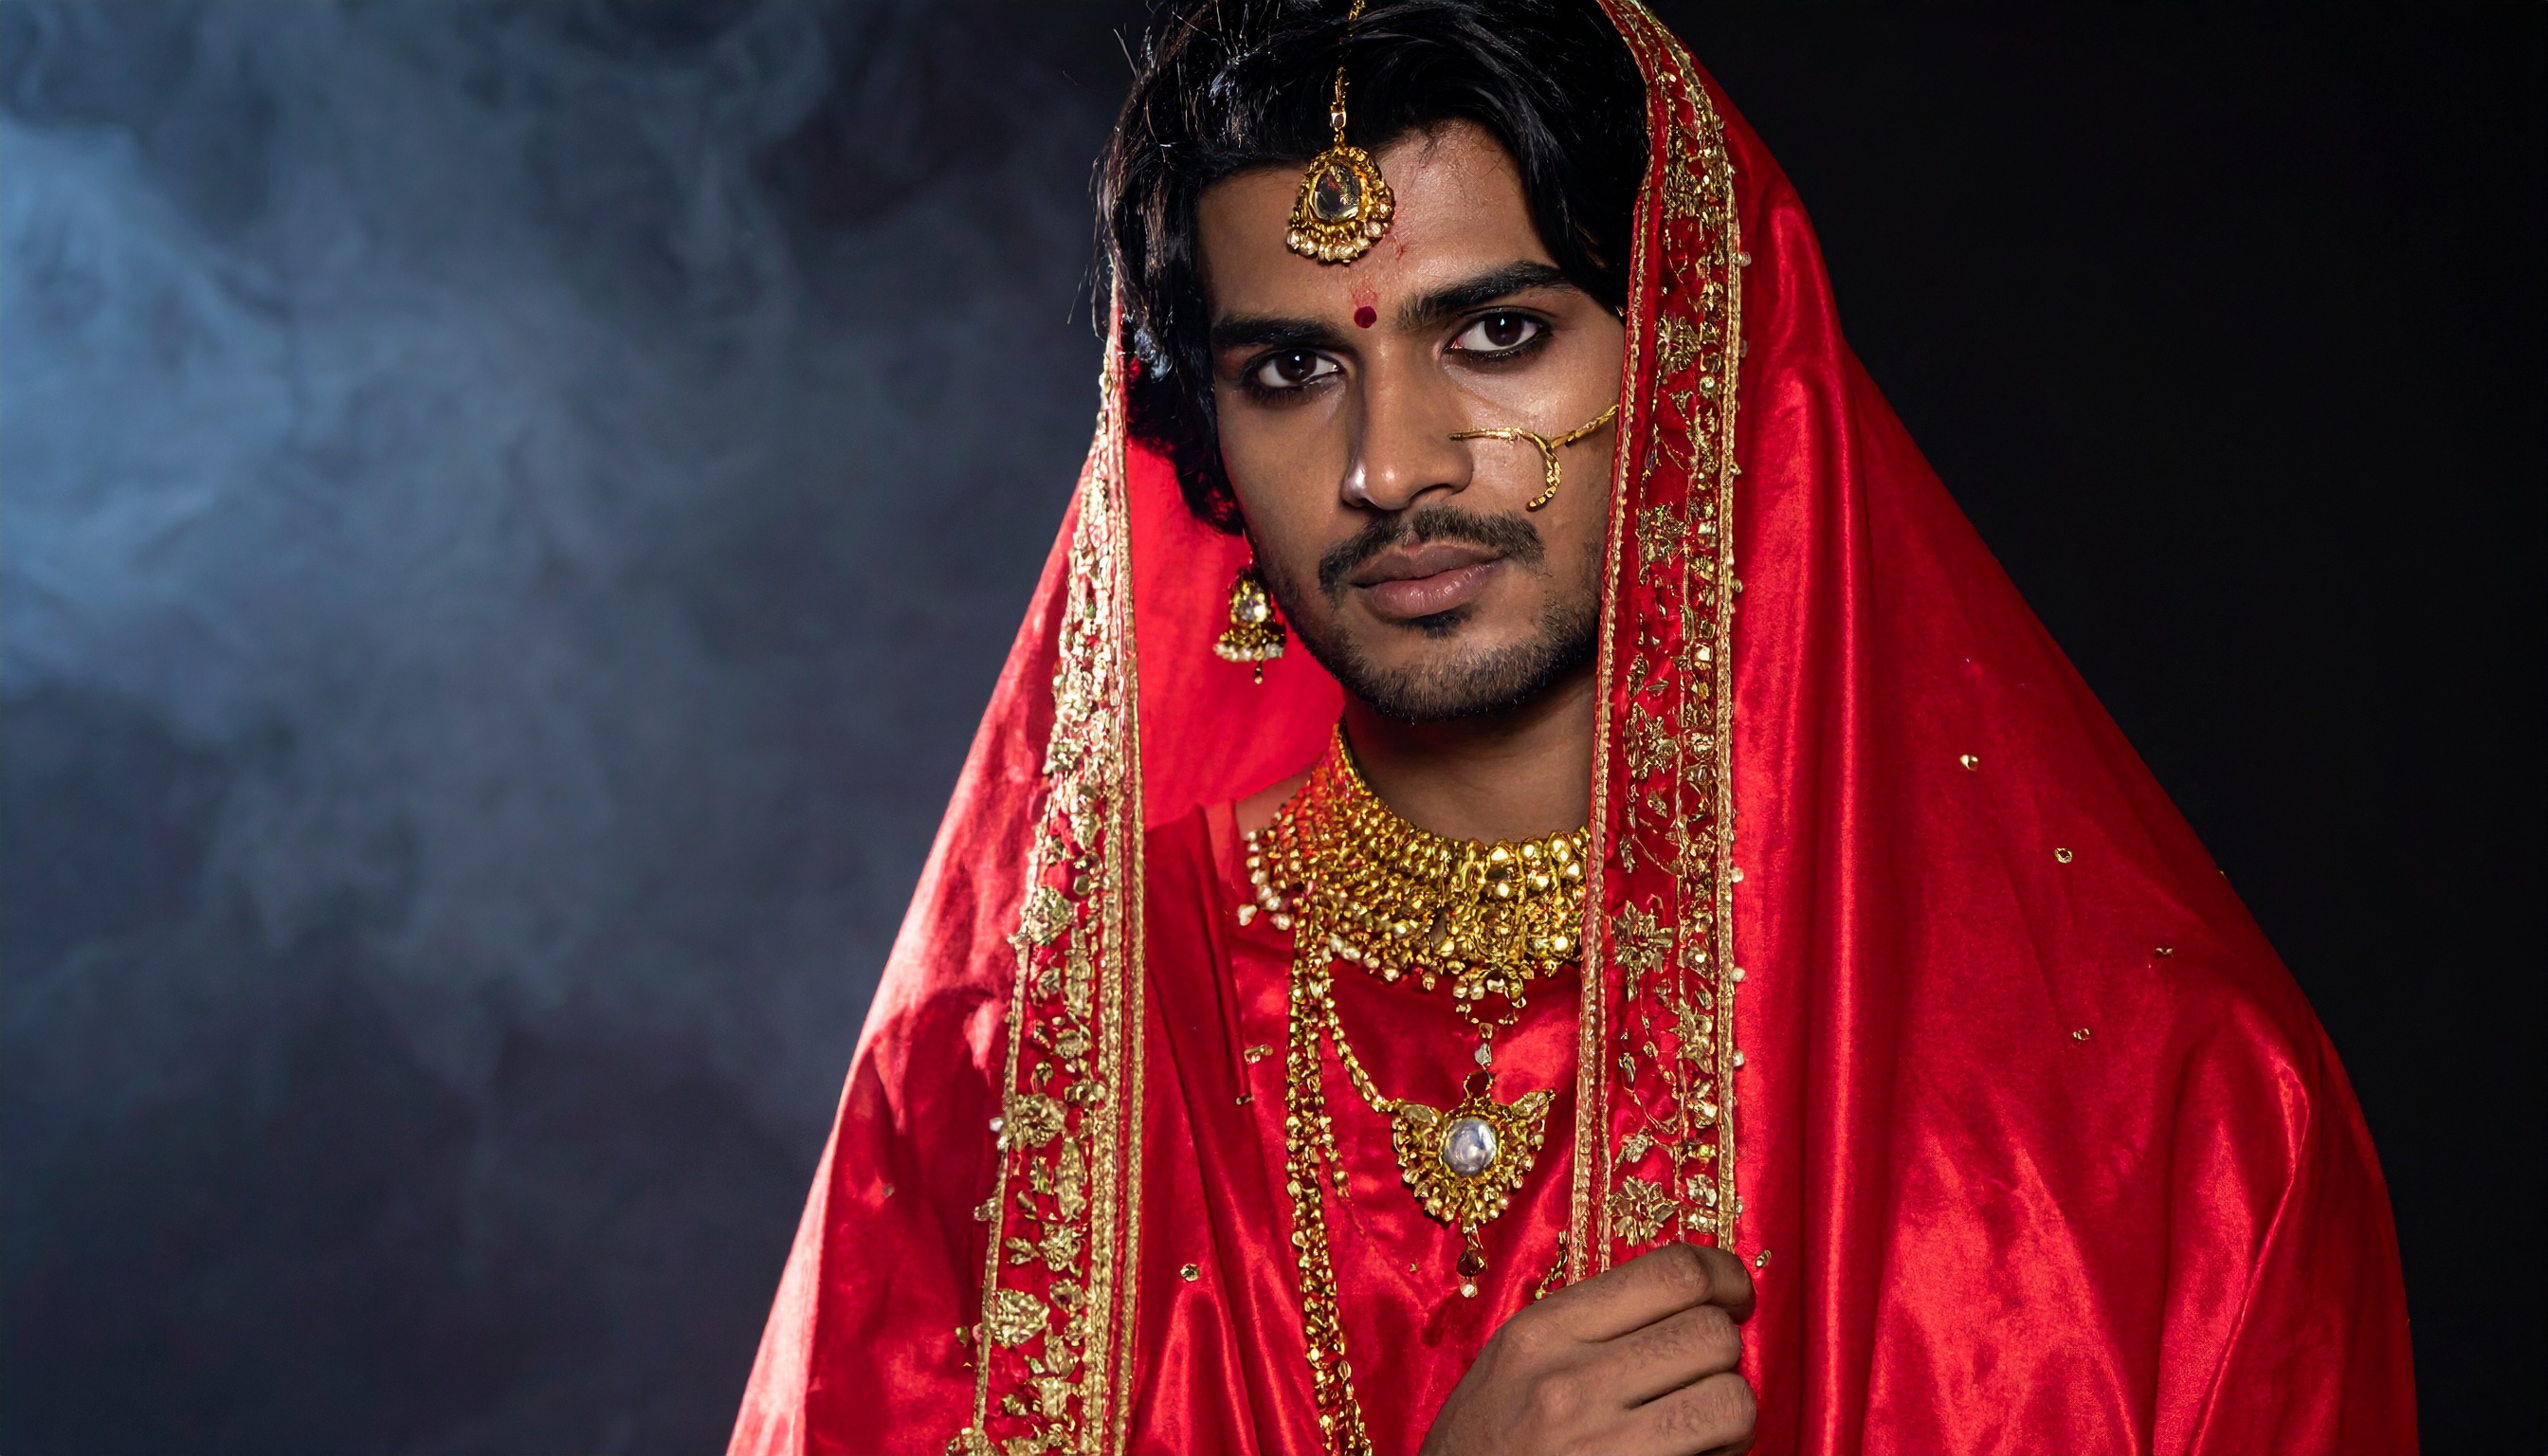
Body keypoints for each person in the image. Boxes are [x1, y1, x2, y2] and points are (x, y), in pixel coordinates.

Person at [731, 2, 2416, 1452]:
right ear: (1200, 441)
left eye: (1502, 334)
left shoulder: (2157, 1112)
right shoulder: (1003, 1082)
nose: (1394, 465)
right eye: (1292, 373)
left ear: (1700, 357)